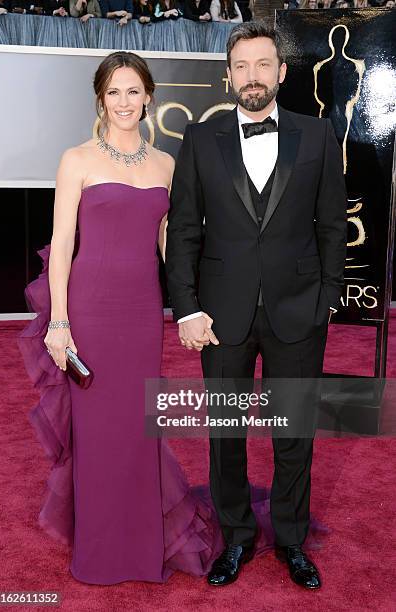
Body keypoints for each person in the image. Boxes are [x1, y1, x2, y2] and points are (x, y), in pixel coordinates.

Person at [18, 51, 224, 585]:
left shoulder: (166, 166)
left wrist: (189, 307)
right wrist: (58, 324)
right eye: (114, 92)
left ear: (149, 95)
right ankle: (100, 551)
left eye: (133, 91)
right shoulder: (77, 159)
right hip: (89, 310)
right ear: (101, 99)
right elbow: (62, 245)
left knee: (137, 429)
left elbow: (168, 247)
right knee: (96, 433)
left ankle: (140, 546)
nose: (124, 102)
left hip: (139, 313)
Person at [166, 20, 347, 589]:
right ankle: (236, 538)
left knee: (294, 432)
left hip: (300, 310)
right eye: (241, 66)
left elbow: (333, 225)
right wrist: (188, 307)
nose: (252, 76)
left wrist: (327, 296)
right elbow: (185, 233)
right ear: (227, 76)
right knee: (226, 433)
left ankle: (292, 539)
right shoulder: (199, 140)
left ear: (282, 73)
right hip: (222, 315)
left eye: (263, 65)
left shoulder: (317, 136)